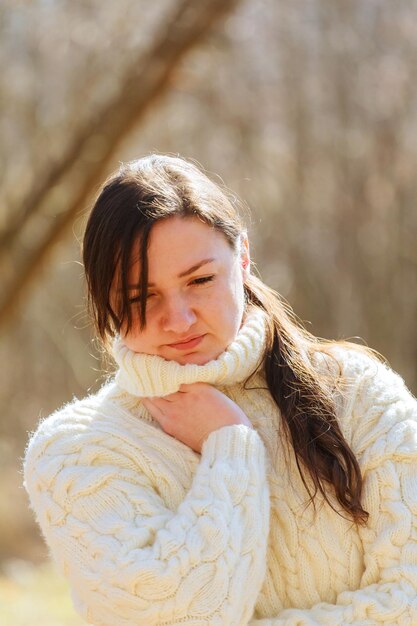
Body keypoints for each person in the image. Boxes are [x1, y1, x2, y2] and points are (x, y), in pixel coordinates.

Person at [23, 154, 417, 626]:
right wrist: (231, 447)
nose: (180, 319)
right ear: (105, 301)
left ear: (244, 259)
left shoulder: (356, 394)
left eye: (201, 280)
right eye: (141, 296)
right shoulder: (75, 453)